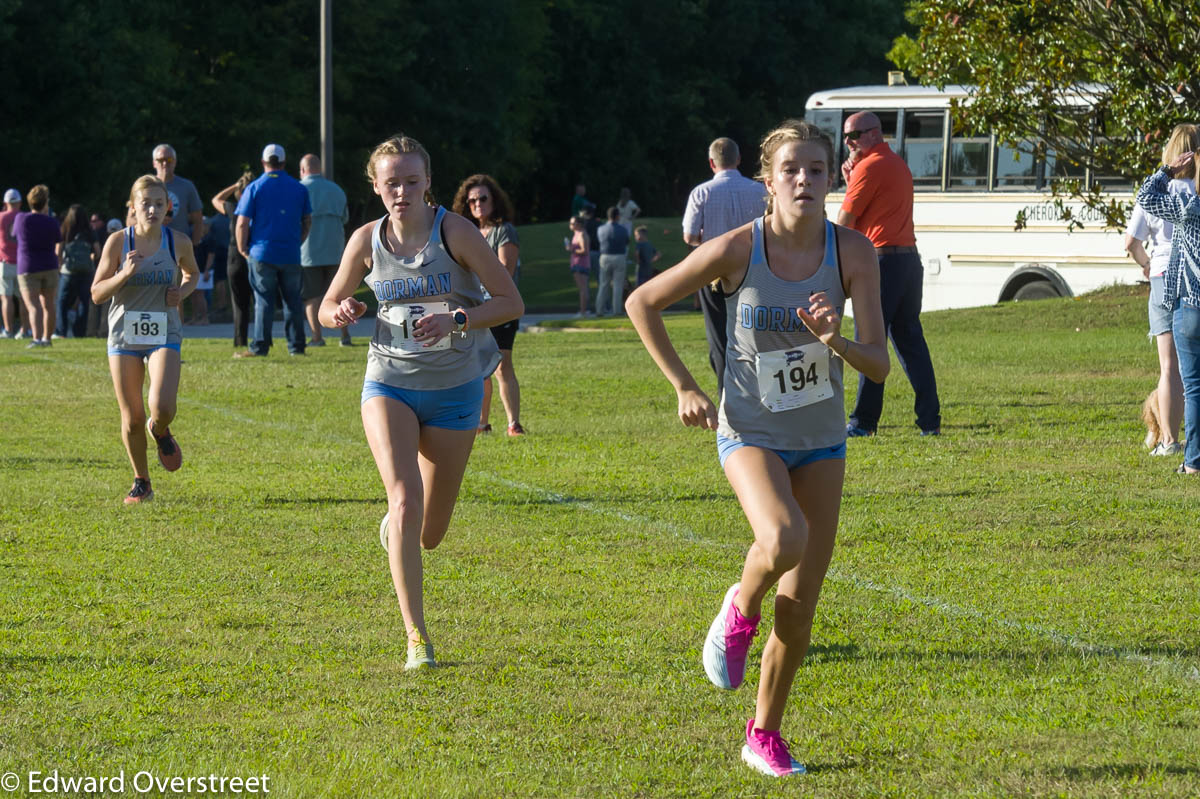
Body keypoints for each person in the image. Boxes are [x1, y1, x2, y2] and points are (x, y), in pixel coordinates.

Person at [626, 119, 888, 778]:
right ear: (767, 181)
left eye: (817, 169)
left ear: (835, 178)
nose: (804, 180)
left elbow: (880, 366)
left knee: (799, 612)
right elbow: (643, 301)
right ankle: (737, 611)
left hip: (822, 439)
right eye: (791, 169)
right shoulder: (739, 248)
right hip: (749, 428)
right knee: (781, 537)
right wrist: (685, 384)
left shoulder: (854, 252)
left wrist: (836, 340)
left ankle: (763, 734)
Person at [318, 134, 522, 670]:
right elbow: (326, 304)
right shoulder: (366, 240)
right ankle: (416, 639)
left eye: (412, 181)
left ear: (428, 182)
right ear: (376, 186)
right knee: (404, 499)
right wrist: (338, 311)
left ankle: (399, 531)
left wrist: (457, 318)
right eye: (392, 183)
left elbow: (509, 302)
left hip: (456, 390)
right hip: (388, 383)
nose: (402, 191)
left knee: (428, 533)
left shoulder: (455, 233)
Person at [90, 175, 199, 503]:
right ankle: (142, 481)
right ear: (133, 208)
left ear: (168, 207)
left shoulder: (177, 241)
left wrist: (180, 292)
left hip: (164, 331)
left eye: (158, 203)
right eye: (145, 203)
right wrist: (123, 275)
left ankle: (161, 429)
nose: (152, 209)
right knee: (133, 417)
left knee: (161, 407)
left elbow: (192, 274)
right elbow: (96, 294)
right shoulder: (117, 243)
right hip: (124, 337)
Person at [837, 111, 942, 437]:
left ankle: (863, 423)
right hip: (908, 261)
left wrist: (852, 179)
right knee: (911, 343)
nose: (848, 143)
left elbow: (845, 222)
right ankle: (929, 422)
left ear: (873, 134)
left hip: (882, 263)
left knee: (870, 342)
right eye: (846, 137)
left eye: (853, 136)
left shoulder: (870, 167)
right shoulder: (896, 163)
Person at [1126, 124, 1198, 456]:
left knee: (1168, 366)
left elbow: (1131, 241)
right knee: (1192, 368)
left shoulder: (1160, 194)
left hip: (1162, 273)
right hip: (1194, 277)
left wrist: (1145, 263)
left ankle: (1168, 440)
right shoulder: (1197, 191)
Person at [683, 137, 769, 396]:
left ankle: (726, 393)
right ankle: (762, 389)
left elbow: (689, 236)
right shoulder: (759, 190)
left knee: (719, 336)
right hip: (752, 268)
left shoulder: (701, 192)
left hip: (713, 271)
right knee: (754, 331)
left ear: (711, 162)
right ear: (739, 160)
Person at [452, 174, 526, 435]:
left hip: (499, 306)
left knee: (502, 364)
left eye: (483, 198)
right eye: (472, 200)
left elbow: (506, 270)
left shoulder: (504, 231)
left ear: (494, 200)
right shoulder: (465, 233)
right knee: (478, 366)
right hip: (474, 308)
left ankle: (513, 423)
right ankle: (481, 423)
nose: (478, 204)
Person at [234, 144, 312, 358]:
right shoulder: (299, 188)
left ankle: (260, 347)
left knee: (263, 301)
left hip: (261, 252)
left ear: (263, 162)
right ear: (284, 163)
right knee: (293, 301)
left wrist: (242, 248)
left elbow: (242, 223)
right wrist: (298, 241)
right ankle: (296, 347)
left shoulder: (254, 188)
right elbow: (307, 220)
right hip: (290, 253)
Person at [300, 153, 351, 347]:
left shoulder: (300, 189)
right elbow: (345, 218)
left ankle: (316, 337)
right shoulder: (336, 190)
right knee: (340, 296)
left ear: (303, 170)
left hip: (308, 253)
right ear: (319, 168)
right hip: (336, 250)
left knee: (312, 296)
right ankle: (344, 336)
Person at [14, 185, 61, 348]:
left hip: (28, 267)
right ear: (45, 202)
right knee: (49, 304)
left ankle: (37, 338)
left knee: (33, 306)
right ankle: (47, 339)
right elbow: (57, 240)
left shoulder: (21, 219)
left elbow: (15, 235)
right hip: (50, 265)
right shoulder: (52, 221)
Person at [212, 171, 255, 349]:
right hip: (254, 256)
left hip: (235, 258)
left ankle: (240, 341)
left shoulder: (234, 209)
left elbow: (216, 199)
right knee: (260, 301)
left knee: (239, 303)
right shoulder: (258, 208)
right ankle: (261, 339)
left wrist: (235, 186)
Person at [54, 204, 100, 338]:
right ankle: (79, 332)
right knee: (84, 303)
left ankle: (61, 332)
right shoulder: (89, 230)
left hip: (68, 271)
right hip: (86, 271)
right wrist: (90, 258)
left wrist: (60, 264)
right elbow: (98, 252)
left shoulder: (65, 229)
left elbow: (58, 251)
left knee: (62, 301)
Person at [152, 144, 204, 243]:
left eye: (169, 160)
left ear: (175, 162)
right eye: (160, 160)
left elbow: (198, 220)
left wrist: (193, 246)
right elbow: (130, 220)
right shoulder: (146, 186)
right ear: (154, 163)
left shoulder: (187, 186)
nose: (165, 163)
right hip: (151, 246)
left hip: (179, 247)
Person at [596, 206, 630, 316]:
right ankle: (617, 310)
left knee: (603, 284)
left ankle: (599, 310)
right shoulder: (623, 229)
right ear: (617, 216)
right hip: (619, 256)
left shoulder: (601, 229)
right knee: (617, 285)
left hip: (605, 257)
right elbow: (626, 242)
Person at [0, 188, 25, 338]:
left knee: (6, 298)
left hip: (5, 261)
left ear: (6, 203)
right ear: (19, 202)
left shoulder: (1, 217)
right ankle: (24, 330)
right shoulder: (23, 217)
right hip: (22, 262)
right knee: (23, 298)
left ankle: (8, 330)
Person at [567, 215, 591, 316]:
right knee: (583, 289)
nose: (571, 225)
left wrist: (572, 249)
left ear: (579, 224)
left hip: (580, 264)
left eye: (573, 223)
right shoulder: (576, 234)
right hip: (577, 263)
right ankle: (584, 310)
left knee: (583, 289)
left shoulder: (582, 235)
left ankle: (583, 311)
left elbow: (585, 251)